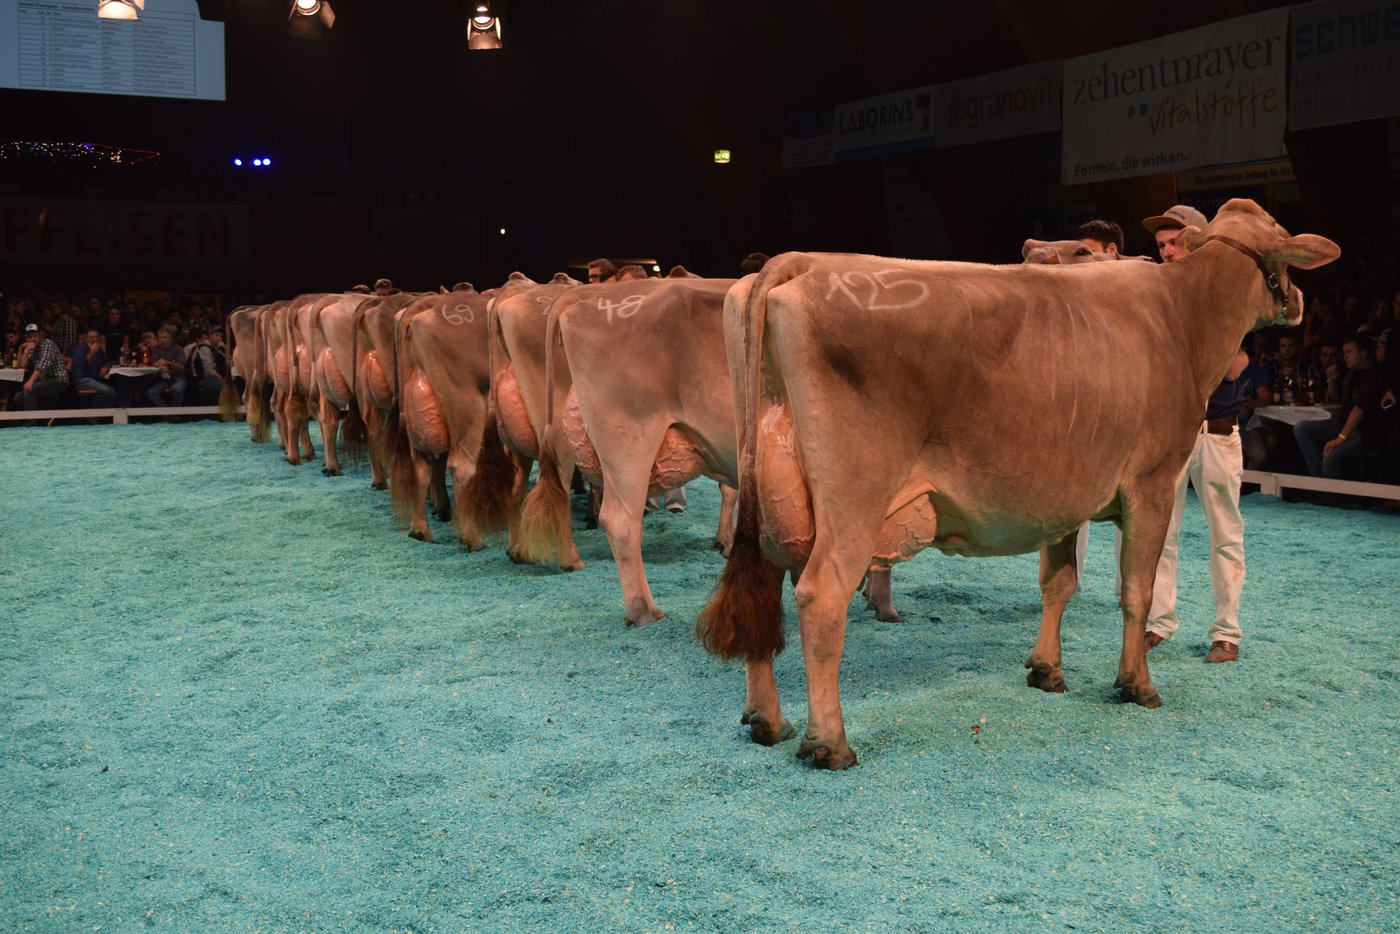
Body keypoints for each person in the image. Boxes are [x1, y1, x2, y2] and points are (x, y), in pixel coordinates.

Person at [1143, 204, 1246, 664]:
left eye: (1174, 242)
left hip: (1216, 431)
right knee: (1161, 533)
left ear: (1198, 242)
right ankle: (1158, 623)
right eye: (1161, 244)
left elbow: (1235, 368)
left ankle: (1227, 632)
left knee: (1224, 533)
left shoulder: (1226, 292)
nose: (1166, 251)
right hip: (1169, 433)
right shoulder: (1156, 295)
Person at [1293, 333, 1387, 479]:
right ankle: (1321, 479)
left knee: (1331, 456)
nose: (1345, 356)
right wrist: (1331, 380)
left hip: (1362, 430)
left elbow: (1359, 410)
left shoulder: (1373, 375)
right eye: (1344, 353)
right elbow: (1338, 400)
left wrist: (1341, 438)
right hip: (1343, 424)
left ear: (1363, 353)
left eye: (1349, 352)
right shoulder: (1351, 373)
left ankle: (1328, 495)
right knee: (1301, 427)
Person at [17, 323, 70, 412]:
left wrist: (31, 381)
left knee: (30, 388)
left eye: (35, 336)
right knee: (18, 397)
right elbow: (23, 365)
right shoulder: (32, 347)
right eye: (29, 337)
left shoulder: (48, 344)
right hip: (42, 381)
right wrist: (25, 350)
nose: (32, 339)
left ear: (41, 335)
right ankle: (38, 419)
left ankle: (31, 422)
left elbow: (43, 365)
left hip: (58, 380)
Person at [70, 328, 118, 407]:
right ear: (86, 339)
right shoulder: (80, 348)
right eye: (91, 337)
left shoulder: (98, 349)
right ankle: (91, 413)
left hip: (95, 379)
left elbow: (108, 360)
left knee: (114, 391)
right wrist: (92, 352)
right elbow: (82, 365)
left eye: (96, 337)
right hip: (82, 379)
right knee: (108, 391)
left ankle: (104, 416)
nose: (95, 339)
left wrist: (105, 366)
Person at [146, 327, 187, 406]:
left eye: (165, 337)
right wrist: (159, 365)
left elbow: (181, 367)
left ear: (170, 338)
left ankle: (175, 413)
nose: (162, 340)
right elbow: (154, 363)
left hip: (178, 376)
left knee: (177, 389)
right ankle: (166, 413)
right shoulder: (156, 349)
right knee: (151, 393)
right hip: (163, 377)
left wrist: (167, 363)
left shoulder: (178, 348)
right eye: (160, 338)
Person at [185, 326, 226, 403]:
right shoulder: (204, 348)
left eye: (221, 336)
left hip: (211, 378)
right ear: (210, 335)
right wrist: (222, 379)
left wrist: (225, 348)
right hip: (202, 379)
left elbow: (231, 361)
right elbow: (209, 371)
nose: (219, 338)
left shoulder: (216, 349)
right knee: (227, 386)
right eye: (216, 335)